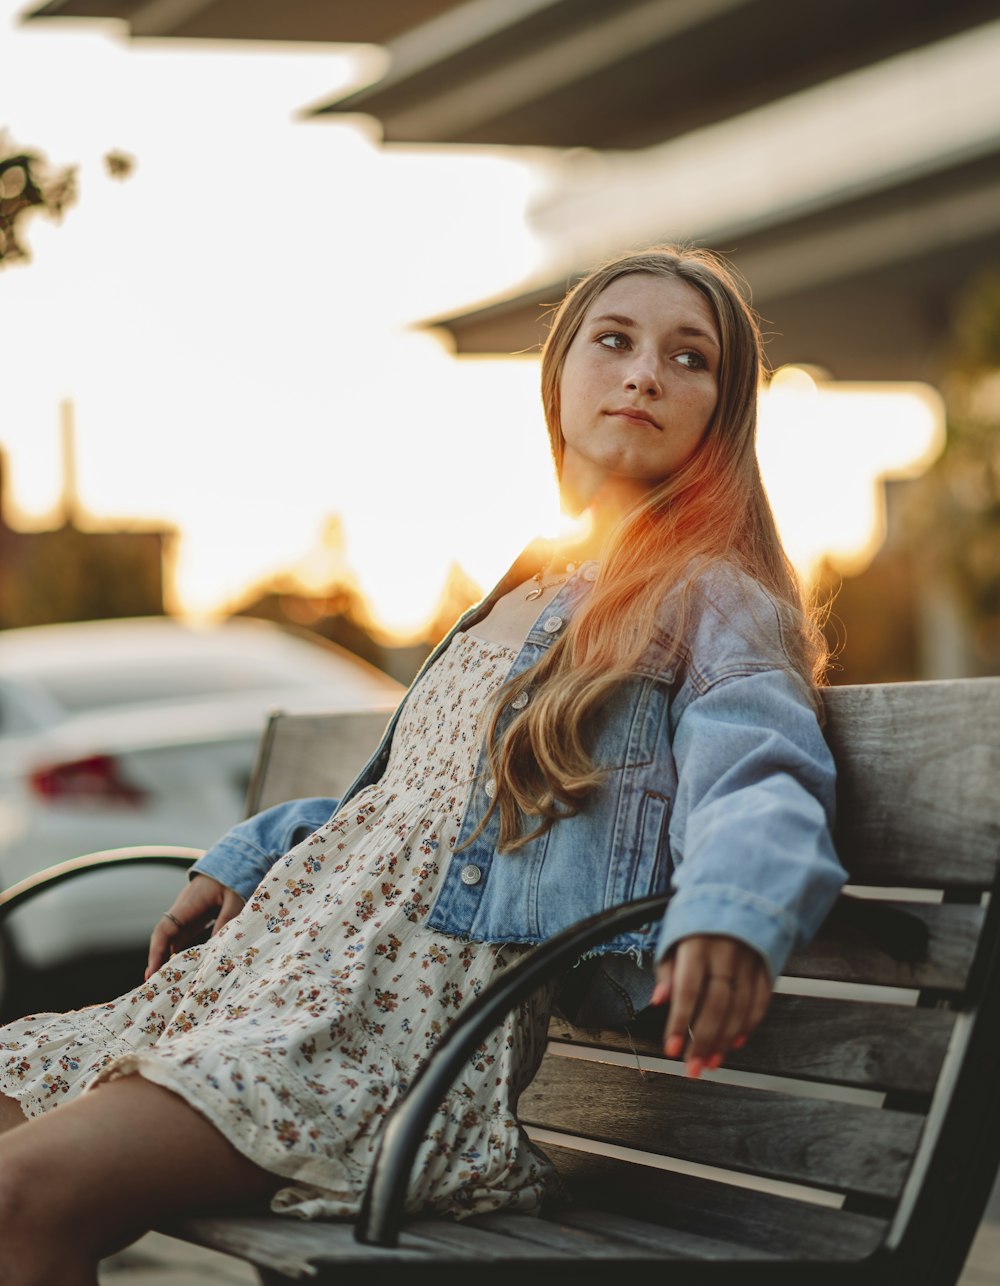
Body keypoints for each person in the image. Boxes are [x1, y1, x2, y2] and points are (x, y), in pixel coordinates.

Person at [0, 244, 845, 1284]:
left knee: (20, 1196)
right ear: (559, 375)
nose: (643, 374)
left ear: (724, 411)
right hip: (268, 977)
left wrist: (733, 906)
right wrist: (253, 849)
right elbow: (418, 804)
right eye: (614, 341)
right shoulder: (514, 591)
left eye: (689, 357)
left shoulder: (708, 597)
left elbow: (763, 770)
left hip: (386, 1040)